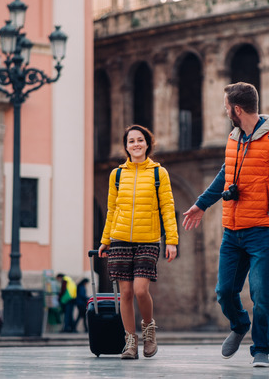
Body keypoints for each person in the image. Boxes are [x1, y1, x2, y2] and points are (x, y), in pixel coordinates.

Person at [182, 82, 269, 368]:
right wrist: (201, 204)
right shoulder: (235, 138)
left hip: (262, 231)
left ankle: (261, 350)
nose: (225, 111)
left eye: (226, 107)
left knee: (260, 293)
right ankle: (240, 324)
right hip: (232, 230)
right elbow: (224, 176)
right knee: (224, 292)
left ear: (237, 109)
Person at [98, 124, 179, 360]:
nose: (136, 144)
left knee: (140, 290)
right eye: (131, 141)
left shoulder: (158, 173)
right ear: (126, 146)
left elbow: (168, 208)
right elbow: (112, 209)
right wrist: (105, 240)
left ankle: (148, 330)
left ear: (147, 143)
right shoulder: (117, 175)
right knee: (125, 293)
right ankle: (130, 342)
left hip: (148, 240)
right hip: (120, 239)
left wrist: (171, 240)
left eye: (140, 140)